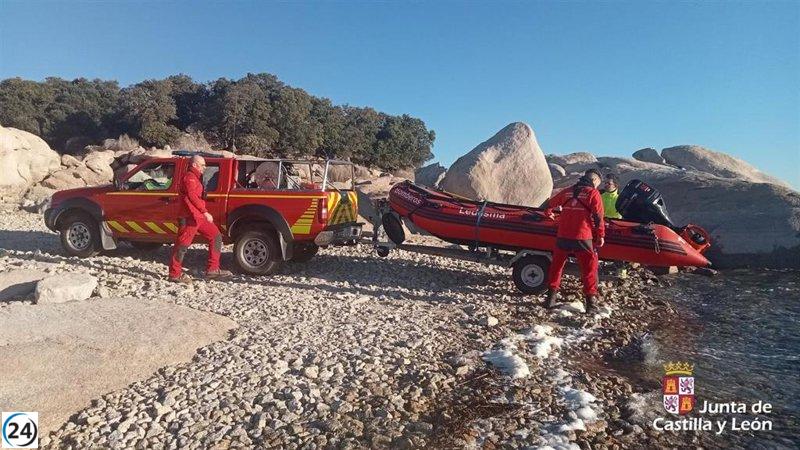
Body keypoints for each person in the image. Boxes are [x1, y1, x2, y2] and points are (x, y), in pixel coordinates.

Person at [542, 168, 605, 312]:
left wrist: (549, 213)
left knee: (556, 267)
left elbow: (549, 205)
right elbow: (598, 216)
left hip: (563, 236)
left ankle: (550, 300)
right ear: (594, 180)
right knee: (589, 268)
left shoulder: (567, 191)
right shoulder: (593, 193)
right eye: (598, 183)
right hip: (582, 237)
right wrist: (601, 235)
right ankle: (591, 304)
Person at [168, 155, 231, 282]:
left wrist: (203, 213)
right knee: (182, 245)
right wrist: (205, 212)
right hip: (189, 217)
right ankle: (174, 274)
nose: (204, 167)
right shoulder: (189, 178)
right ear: (194, 165)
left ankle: (213, 269)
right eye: (202, 165)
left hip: (198, 217)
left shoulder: (196, 178)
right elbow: (192, 196)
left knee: (216, 236)